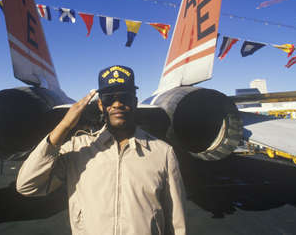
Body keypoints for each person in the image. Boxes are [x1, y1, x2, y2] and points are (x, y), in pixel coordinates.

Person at [16, 65, 187, 235]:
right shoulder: (79, 148)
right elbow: (27, 185)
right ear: (100, 105)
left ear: (135, 102)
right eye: (109, 98)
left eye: (125, 97)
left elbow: (176, 220)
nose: (117, 104)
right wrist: (64, 125)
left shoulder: (163, 153)